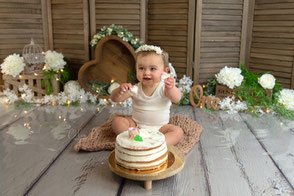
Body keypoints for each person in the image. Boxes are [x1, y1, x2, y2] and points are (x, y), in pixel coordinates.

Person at [110, 44, 183, 145]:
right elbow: (115, 99)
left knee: (177, 132)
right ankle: (134, 140)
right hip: (136, 126)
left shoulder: (164, 88)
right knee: (117, 122)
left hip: (160, 128)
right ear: (136, 69)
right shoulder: (135, 89)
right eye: (141, 68)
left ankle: (158, 145)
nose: (146, 73)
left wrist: (171, 88)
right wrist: (120, 90)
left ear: (164, 71)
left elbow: (177, 98)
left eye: (152, 69)